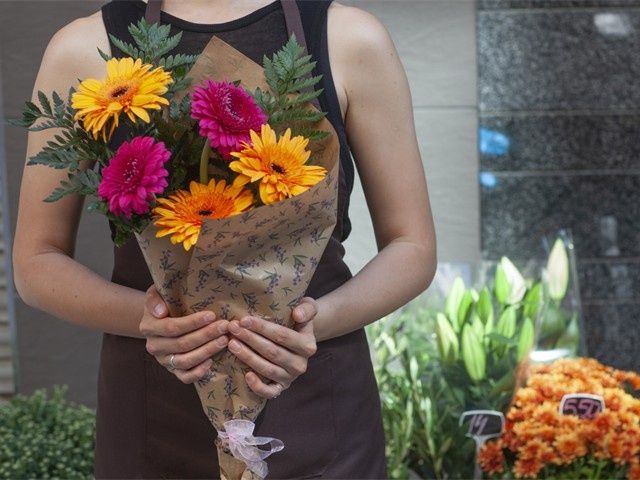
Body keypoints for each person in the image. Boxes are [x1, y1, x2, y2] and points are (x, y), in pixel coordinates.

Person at [12, 0, 437, 478]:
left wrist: (311, 325)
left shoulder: (350, 39)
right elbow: (36, 262)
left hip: (315, 399)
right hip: (155, 406)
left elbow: (412, 247)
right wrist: (152, 322)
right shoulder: (82, 48)